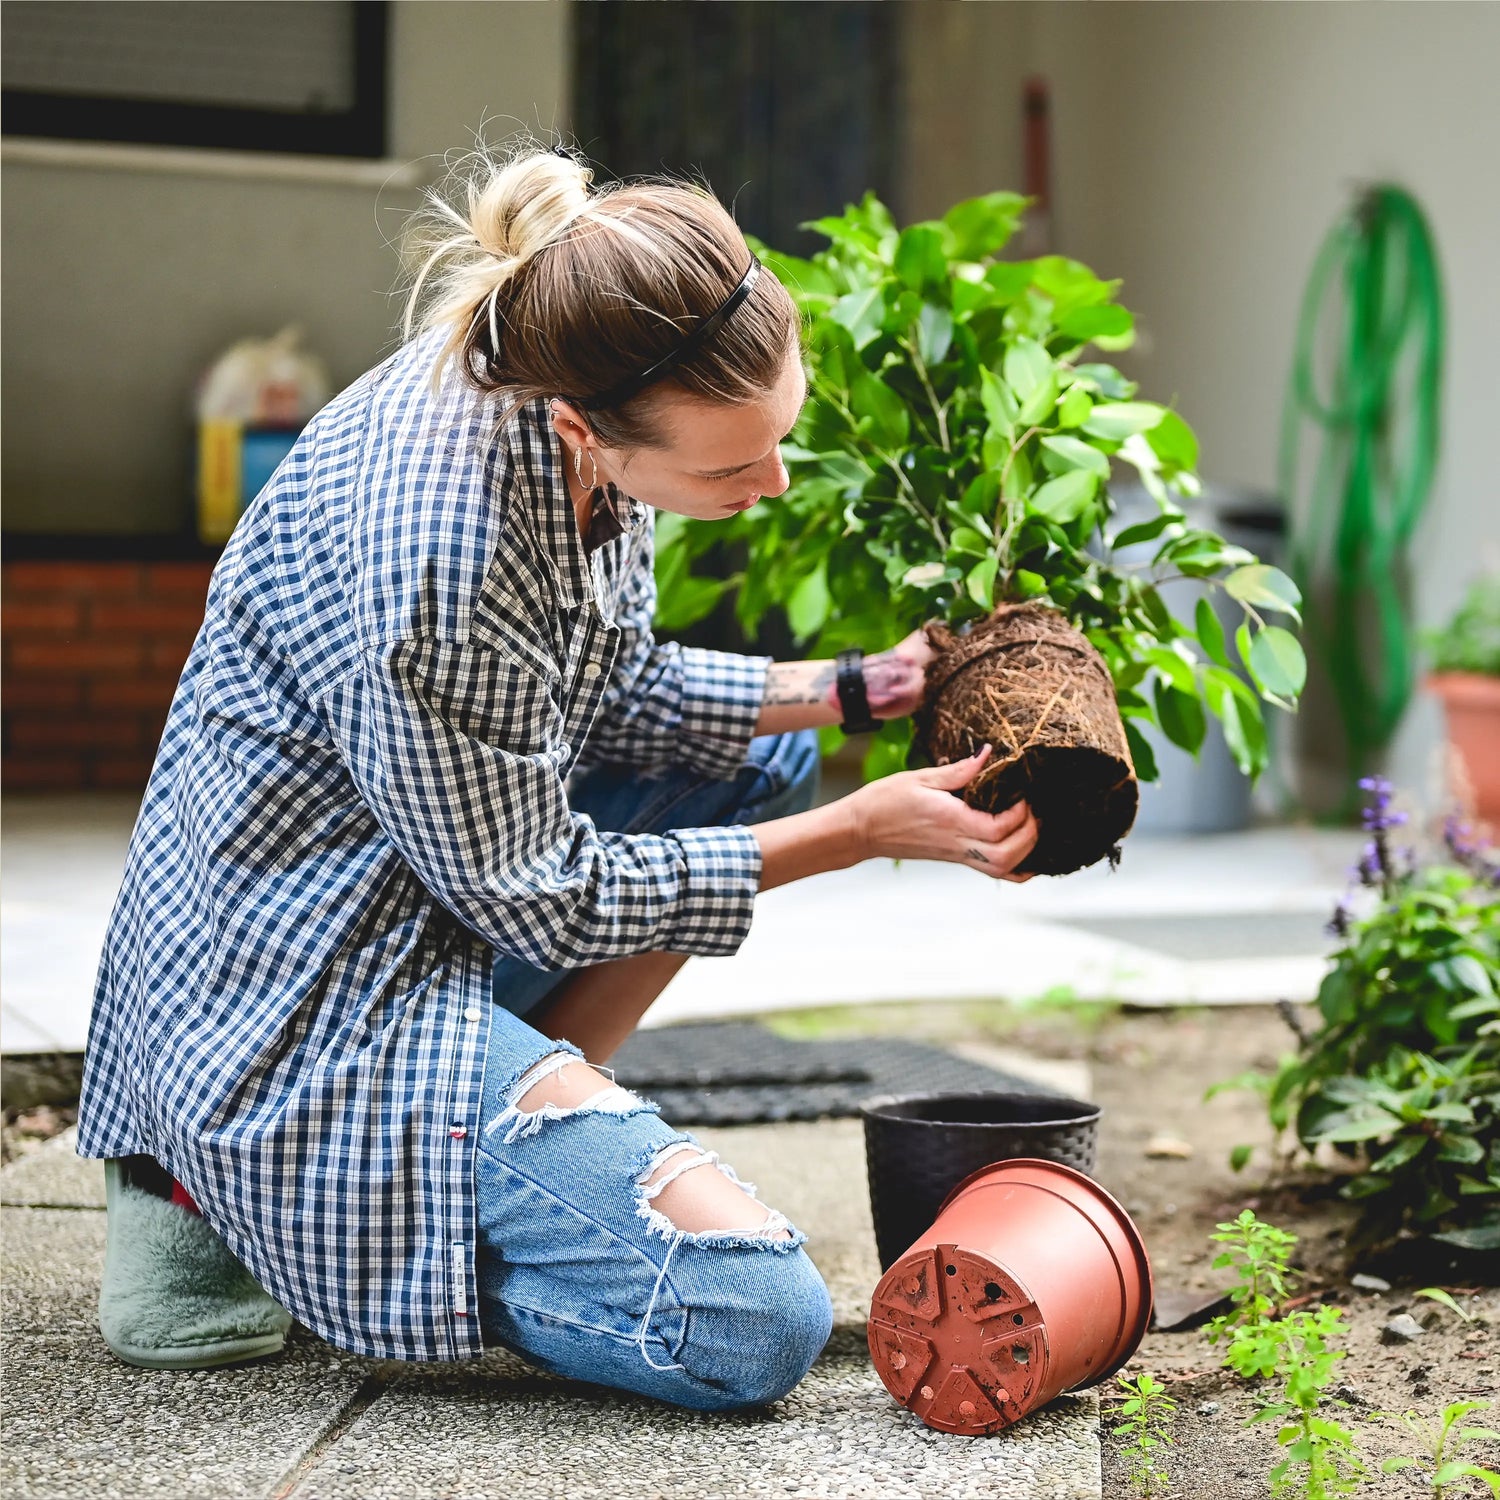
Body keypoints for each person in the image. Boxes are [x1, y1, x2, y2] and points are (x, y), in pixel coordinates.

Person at [77, 144, 1039, 1410]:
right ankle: (243, 1202)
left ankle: (525, 1135)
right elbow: (539, 898)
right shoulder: (446, 567)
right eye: (728, 470)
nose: (772, 484)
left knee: (767, 755)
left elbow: (601, 686)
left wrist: (853, 687)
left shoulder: (561, 376)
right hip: (299, 985)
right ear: (590, 430)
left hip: (420, 883)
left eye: (780, 440)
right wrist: (855, 833)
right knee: (751, 1321)